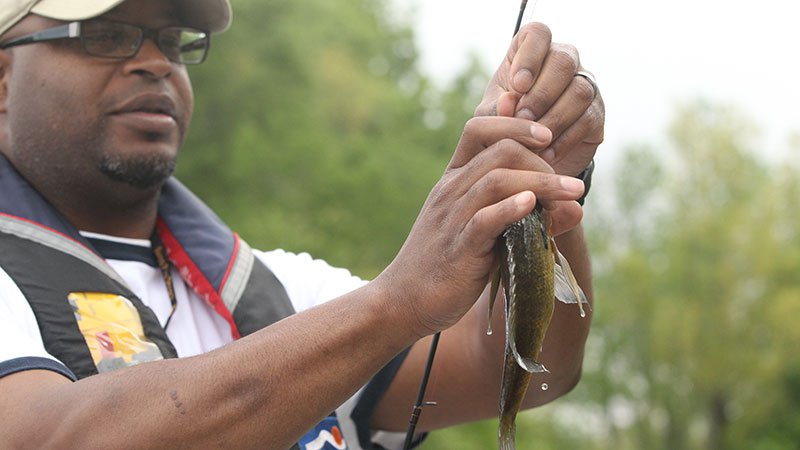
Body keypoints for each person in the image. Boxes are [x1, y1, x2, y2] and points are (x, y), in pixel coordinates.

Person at [0, 0, 604, 448]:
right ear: (3, 79)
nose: (156, 62)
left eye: (172, 40)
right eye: (107, 36)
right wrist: (399, 301)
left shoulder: (281, 287)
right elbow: (47, 439)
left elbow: (522, 367)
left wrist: (538, 186)